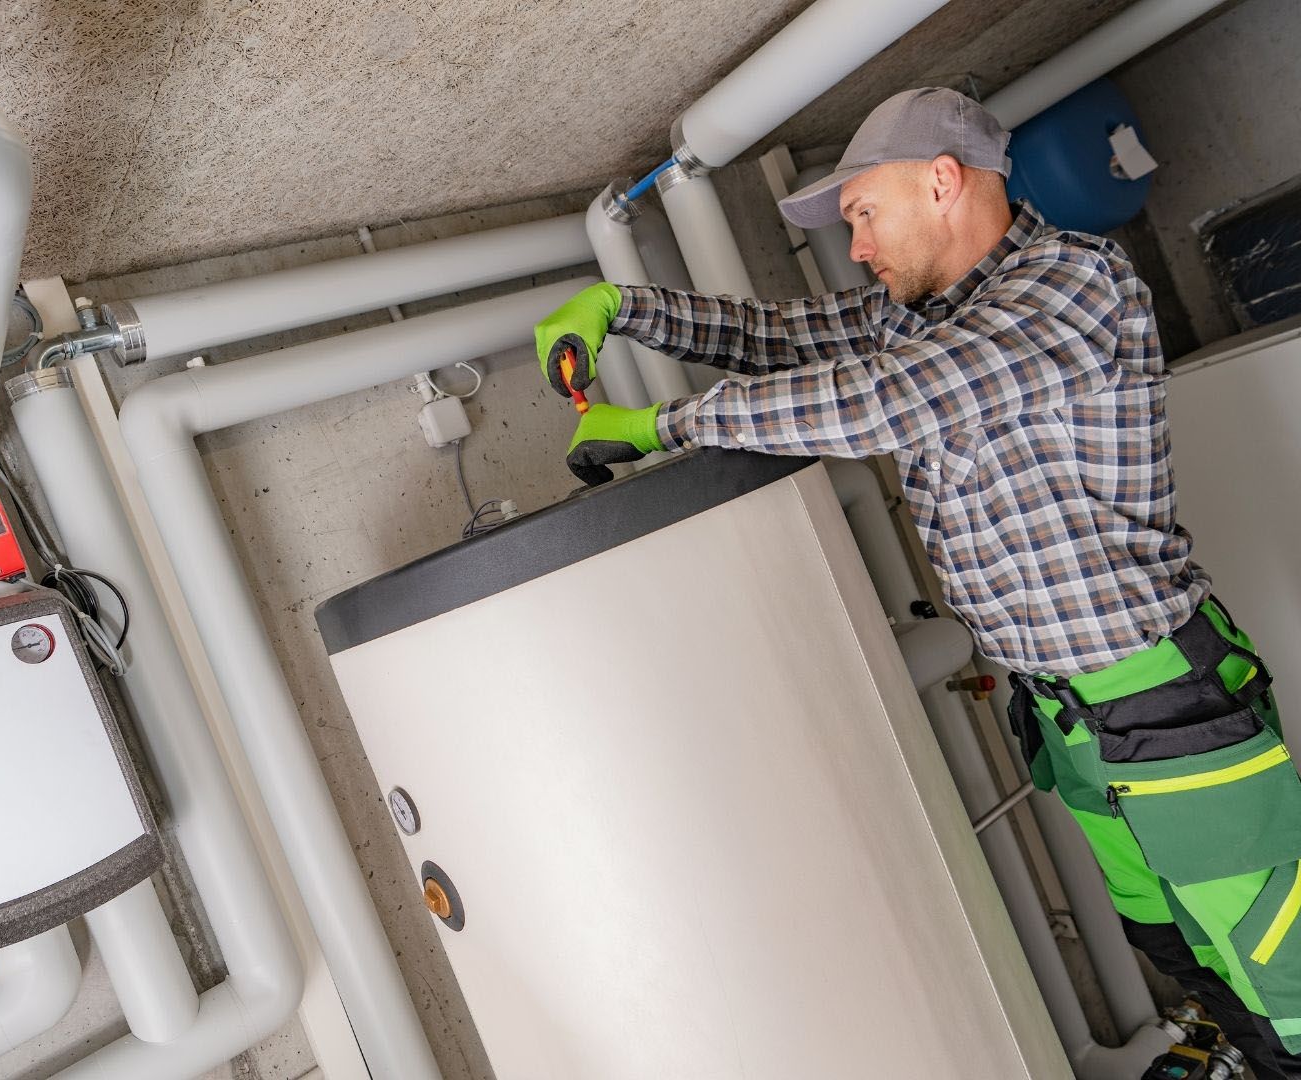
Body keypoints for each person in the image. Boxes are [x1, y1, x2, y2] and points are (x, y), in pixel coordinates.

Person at [532, 86, 1301, 1078]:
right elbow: (784, 342)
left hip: (1163, 702)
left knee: (1283, 981)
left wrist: (663, 428)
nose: (854, 245)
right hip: (1072, 721)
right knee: (1175, 946)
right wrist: (622, 310)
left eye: (861, 213)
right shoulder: (928, 315)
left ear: (941, 181)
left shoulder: (1072, 286)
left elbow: (890, 401)